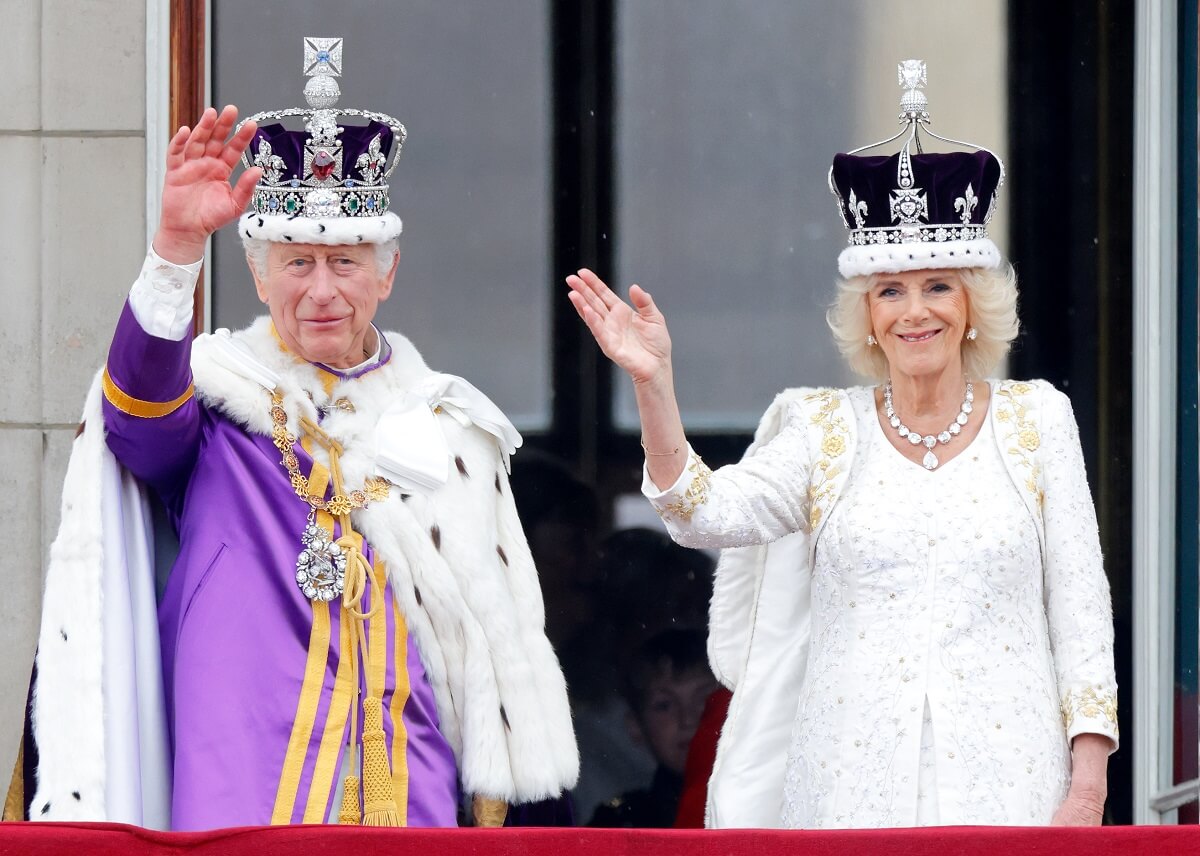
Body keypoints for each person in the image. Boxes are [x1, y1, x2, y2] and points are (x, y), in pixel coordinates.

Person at [24, 38, 577, 830]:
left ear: (386, 272)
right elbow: (138, 418)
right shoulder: (217, 402)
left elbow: (486, 658)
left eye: (346, 262)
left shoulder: (449, 428)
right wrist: (176, 251)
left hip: (405, 788)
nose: (321, 290)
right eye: (296, 262)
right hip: (242, 788)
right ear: (257, 272)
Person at [566, 61, 1118, 829]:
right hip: (848, 795)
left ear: (972, 304)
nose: (913, 312)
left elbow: (1082, 616)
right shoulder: (823, 430)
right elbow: (701, 514)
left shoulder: (1038, 421)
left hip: (1013, 790)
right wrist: (654, 383)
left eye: (937, 286)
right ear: (865, 313)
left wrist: (1085, 788)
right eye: (890, 290)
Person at [588, 629, 718, 828]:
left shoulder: (773, 803)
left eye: (704, 699)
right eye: (664, 705)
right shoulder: (621, 826)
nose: (688, 720)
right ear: (636, 726)